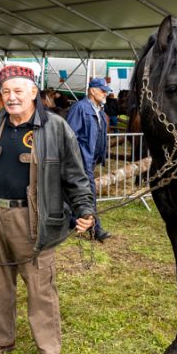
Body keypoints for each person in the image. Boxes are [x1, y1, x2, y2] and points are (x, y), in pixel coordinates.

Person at [0, 65, 94, 354]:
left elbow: (76, 175)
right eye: (6, 91)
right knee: (1, 281)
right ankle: (1, 339)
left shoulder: (55, 128)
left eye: (18, 91)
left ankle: (50, 351)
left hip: (34, 218)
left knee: (40, 287)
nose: (11, 98)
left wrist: (85, 209)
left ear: (34, 93)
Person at [66, 77, 112, 242]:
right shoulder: (80, 108)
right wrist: (76, 158)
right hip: (81, 160)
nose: (106, 94)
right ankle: (95, 228)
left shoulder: (99, 110)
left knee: (75, 192)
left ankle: (72, 221)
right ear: (92, 90)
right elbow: (70, 136)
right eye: (103, 90)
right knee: (89, 193)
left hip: (90, 160)